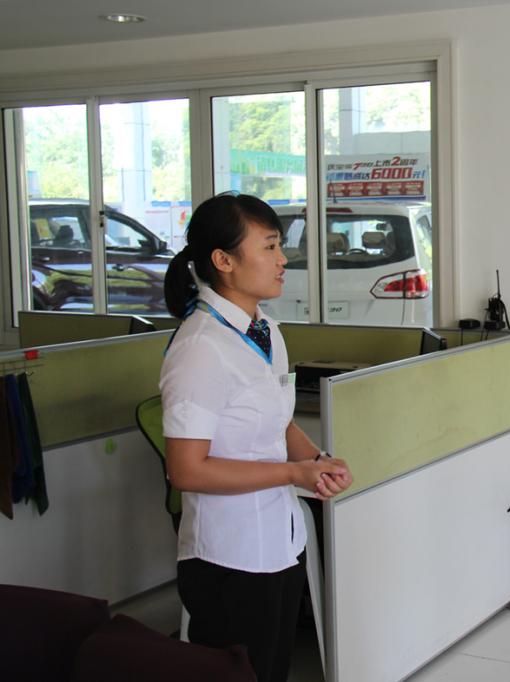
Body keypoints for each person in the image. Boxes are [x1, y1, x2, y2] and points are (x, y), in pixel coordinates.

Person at [160, 193, 352, 682]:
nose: (283, 259)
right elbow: (186, 471)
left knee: (272, 669)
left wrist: (319, 462)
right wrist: (293, 473)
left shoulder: (265, 329)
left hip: (278, 542)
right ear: (223, 260)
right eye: (269, 247)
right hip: (229, 556)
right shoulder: (200, 348)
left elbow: (277, 421)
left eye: (279, 246)